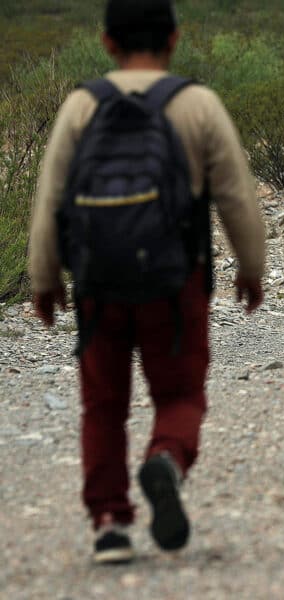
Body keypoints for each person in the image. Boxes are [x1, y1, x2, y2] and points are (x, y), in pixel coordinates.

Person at [28, 0, 265, 564]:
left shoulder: (81, 105)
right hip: (174, 283)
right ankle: (166, 458)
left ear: (106, 42)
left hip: (97, 283)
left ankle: (109, 522)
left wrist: (44, 278)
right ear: (174, 39)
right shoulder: (198, 104)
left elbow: (51, 198)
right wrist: (250, 267)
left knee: (102, 406)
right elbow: (236, 196)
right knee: (180, 393)